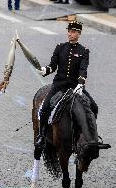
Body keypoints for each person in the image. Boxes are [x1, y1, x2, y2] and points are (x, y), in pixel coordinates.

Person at [35, 21, 98, 149]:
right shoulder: (60, 47)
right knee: (45, 107)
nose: (70, 34)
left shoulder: (84, 51)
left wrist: (80, 84)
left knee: (94, 107)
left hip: (75, 87)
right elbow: (53, 66)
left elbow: (83, 69)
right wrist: (45, 70)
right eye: (69, 31)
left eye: (73, 32)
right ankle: (41, 136)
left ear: (79, 34)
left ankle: (90, 135)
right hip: (59, 85)